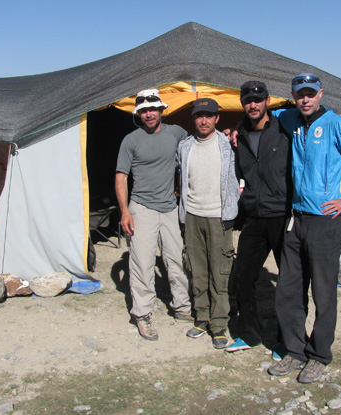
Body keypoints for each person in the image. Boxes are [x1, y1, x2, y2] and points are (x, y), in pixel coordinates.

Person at [267, 74, 341, 383]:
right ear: (293, 96)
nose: (305, 99)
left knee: (323, 293)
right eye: (299, 94)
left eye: (310, 94)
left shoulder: (336, 124)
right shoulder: (290, 118)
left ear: (321, 94)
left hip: (325, 221)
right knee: (288, 290)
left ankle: (319, 355)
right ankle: (294, 351)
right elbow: (267, 114)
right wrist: (236, 130)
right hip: (296, 219)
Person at [115, 88, 192, 341]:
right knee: (142, 262)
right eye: (143, 110)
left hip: (169, 206)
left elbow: (195, 149)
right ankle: (142, 314)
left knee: (176, 260)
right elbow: (121, 176)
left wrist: (226, 135)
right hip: (142, 207)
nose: (149, 114)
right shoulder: (131, 140)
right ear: (138, 114)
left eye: (152, 109)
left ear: (161, 110)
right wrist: (125, 211)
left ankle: (182, 307)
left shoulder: (177, 134)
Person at [224, 81, 292, 355]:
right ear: (243, 104)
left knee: (289, 281)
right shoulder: (238, 134)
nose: (253, 104)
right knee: (243, 277)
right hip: (253, 215)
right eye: (248, 100)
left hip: (282, 215)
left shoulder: (285, 129)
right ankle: (249, 334)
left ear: (267, 101)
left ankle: (287, 340)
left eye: (258, 99)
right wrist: (231, 131)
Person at [176, 98, 240, 349]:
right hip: (192, 215)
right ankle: (201, 317)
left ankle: (219, 324)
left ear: (217, 118)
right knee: (197, 271)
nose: (203, 120)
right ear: (194, 119)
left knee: (220, 273)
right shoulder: (185, 146)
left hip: (219, 217)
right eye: (199, 116)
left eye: (209, 115)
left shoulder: (229, 144)